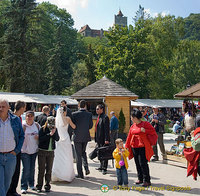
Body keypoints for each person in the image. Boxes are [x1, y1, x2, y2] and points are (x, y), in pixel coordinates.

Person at [125, 109, 157, 187]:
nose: (131, 119)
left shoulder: (145, 124)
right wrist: (126, 146)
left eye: (132, 117)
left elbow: (153, 132)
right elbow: (129, 136)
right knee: (137, 163)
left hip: (143, 146)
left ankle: (147, 180)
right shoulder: (132, 126)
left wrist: (145, 130)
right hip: (134, 146)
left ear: (135, 117)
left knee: (143, 163)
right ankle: (140, 178)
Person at [0, 99, 24, 196]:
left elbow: (21, 136)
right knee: (0, 183)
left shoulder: (15, 120)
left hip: (11, 156)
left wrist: (16, 150)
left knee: (7, 182)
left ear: (8, 108)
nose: (1, 109)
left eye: (3, 107)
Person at [52, 106, 76, 181]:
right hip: (65, 138)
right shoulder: (68, 119)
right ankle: (67, 174)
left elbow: (53, 129)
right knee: (67, 156)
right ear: (65, 112)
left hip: (58, 139)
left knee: (58, 156)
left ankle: (57, 174)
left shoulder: (55, 120)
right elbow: (74, 126)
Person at [7, 101, 26, 196]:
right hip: (11, 149)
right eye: (24, 107)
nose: (25, 110)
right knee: (11, 171)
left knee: (17, 170)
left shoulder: (19, 118)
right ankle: (9, 190)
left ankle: (13, 189)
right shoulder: (12, 118)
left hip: (17, 149)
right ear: (21, 108)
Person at [36, 116, 59, 193]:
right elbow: (40, 139)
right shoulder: (43, 129)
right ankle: (39, 186)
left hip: (51, 151)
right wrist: (49, 135)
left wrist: (54, 133)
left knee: (49, 170)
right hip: (42, 151)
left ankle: (47, 185)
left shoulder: (55, 129)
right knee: (41, 169)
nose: (51, 125)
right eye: (50, 123)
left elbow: (57, 139)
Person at [72, 100, 93, 179]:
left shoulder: (74, 114)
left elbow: (73, 126)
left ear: (79, 105)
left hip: (77, 136)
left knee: (78, 155)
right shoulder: (89, 114)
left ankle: (80, 174)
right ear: (85, 106)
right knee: (83, 152)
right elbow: (90, 126)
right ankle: (86, 167)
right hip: (86, 136)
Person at [21, 111, 40, 194]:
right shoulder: (23, 125)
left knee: (32, 168)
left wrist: (38, 137)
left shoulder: (37, 125)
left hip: (34, 150)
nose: (29, 117)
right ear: (26, 117)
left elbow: (41, 135)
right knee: (26, 169)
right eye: (28, 116)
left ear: (33, 117)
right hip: (24, 151)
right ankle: (23, 186)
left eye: (31, 116)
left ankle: (31, 184)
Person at [95, 104, 110, 175]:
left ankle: (105, 168)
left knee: (105, 154)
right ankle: (101, 166)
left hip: (104, 139)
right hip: (99, 138)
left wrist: (107, 139)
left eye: (98, 109)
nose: (96, 110)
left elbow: (107, 129)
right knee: (100, 153)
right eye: (96, 109)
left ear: (102, 109)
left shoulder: (105, 117)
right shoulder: (99, 117)